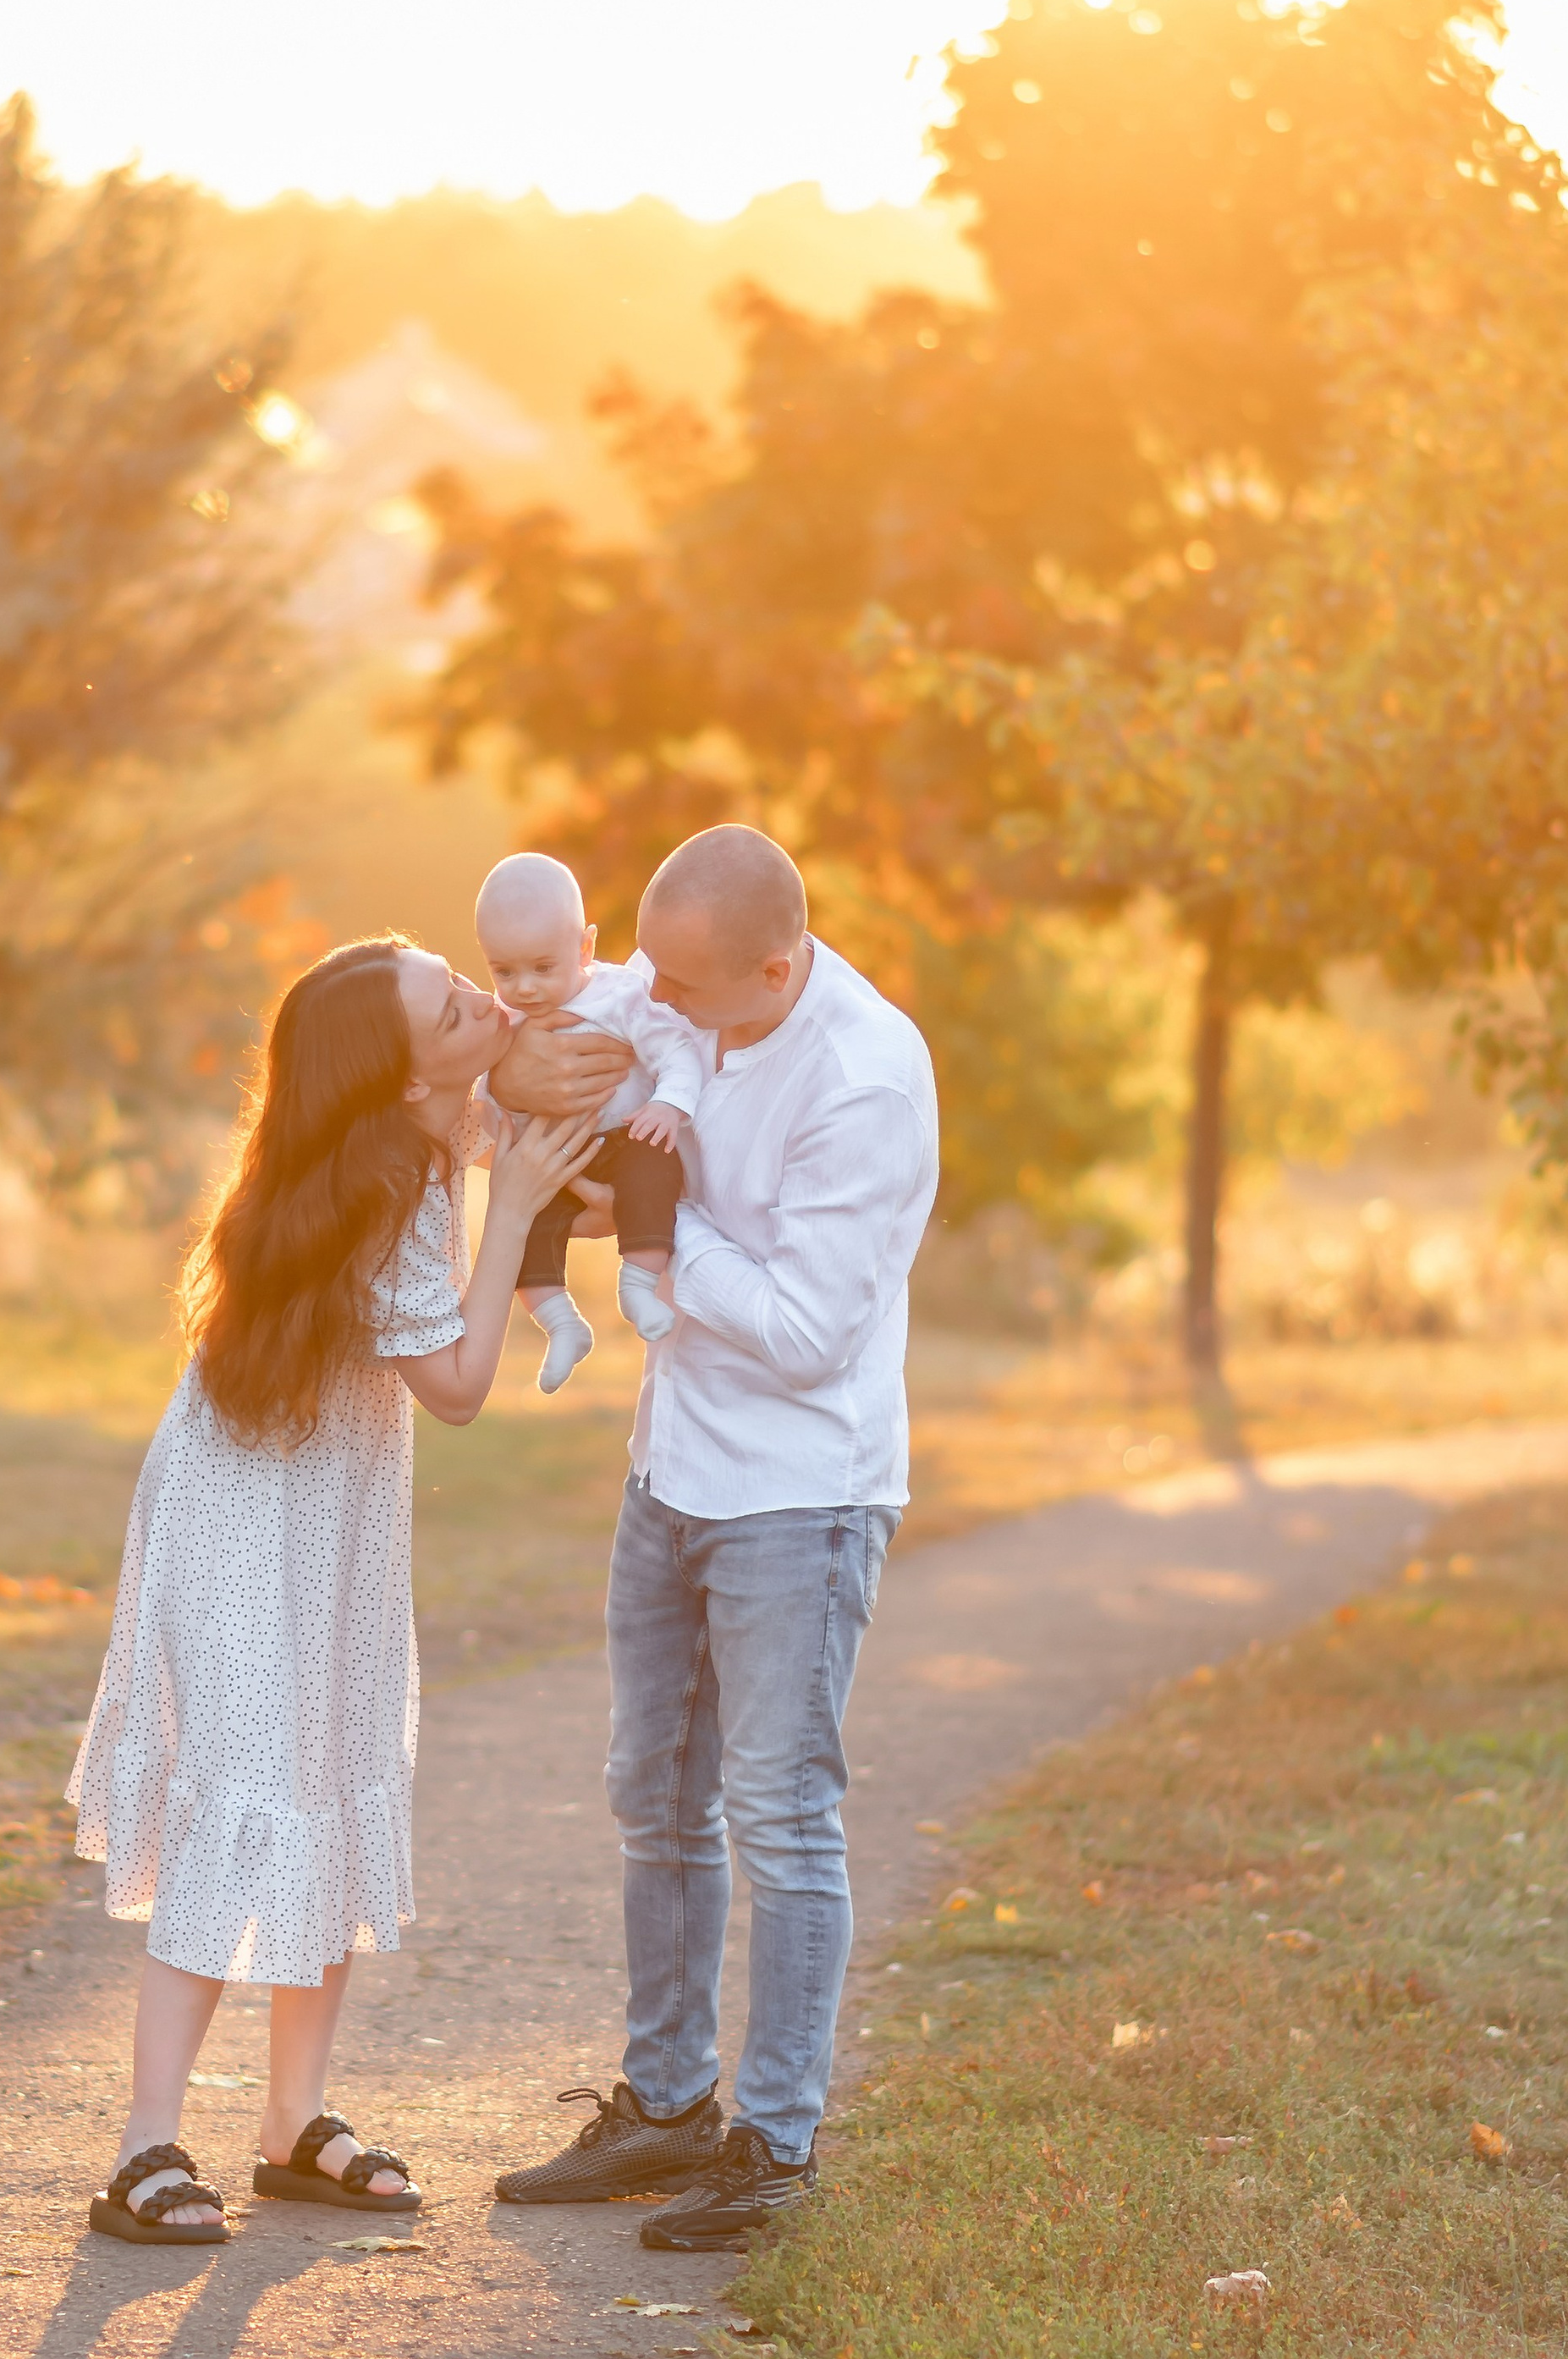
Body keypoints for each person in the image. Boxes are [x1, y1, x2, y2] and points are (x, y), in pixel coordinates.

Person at [68, 936, 598, 2244]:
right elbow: (464, 1388)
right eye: (448, 1001)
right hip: (242, 1511)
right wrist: (516, 1207)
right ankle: (145, 2144)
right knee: (246, 1788)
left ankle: (294, 2124)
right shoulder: (379, 1173)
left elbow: (554, 1062)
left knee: (338, 1765)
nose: (478, 995)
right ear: (398, 1067)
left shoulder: (434, 1124)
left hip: (339, 1504)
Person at [490, 825, 938, 2250]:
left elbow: (812, 1333)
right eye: (652, 972)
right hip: (674, 1469)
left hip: (800, 1493)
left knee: (781, 1814)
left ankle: (775, 2138)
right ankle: (668, 2101)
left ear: (776, 963)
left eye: (684, 986)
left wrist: (657, 1239)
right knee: (652, 1792)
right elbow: (570, 1023)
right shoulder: (685, 987)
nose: (655, 1002)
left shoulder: (865, 1076)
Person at [473, 850, 705, 1392]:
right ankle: (561, 1326)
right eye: (504, 972)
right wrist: (502, 1081)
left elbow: (677, 1051)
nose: (525, 988)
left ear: (585, 947)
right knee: (521, 1221)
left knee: (656, 1170)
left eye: (543, 968)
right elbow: (478, 1101)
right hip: (553, 1154)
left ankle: (640, 1283)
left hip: (628, 1136)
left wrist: (669, 1104)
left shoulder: (621, 995)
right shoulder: (501, 1022)